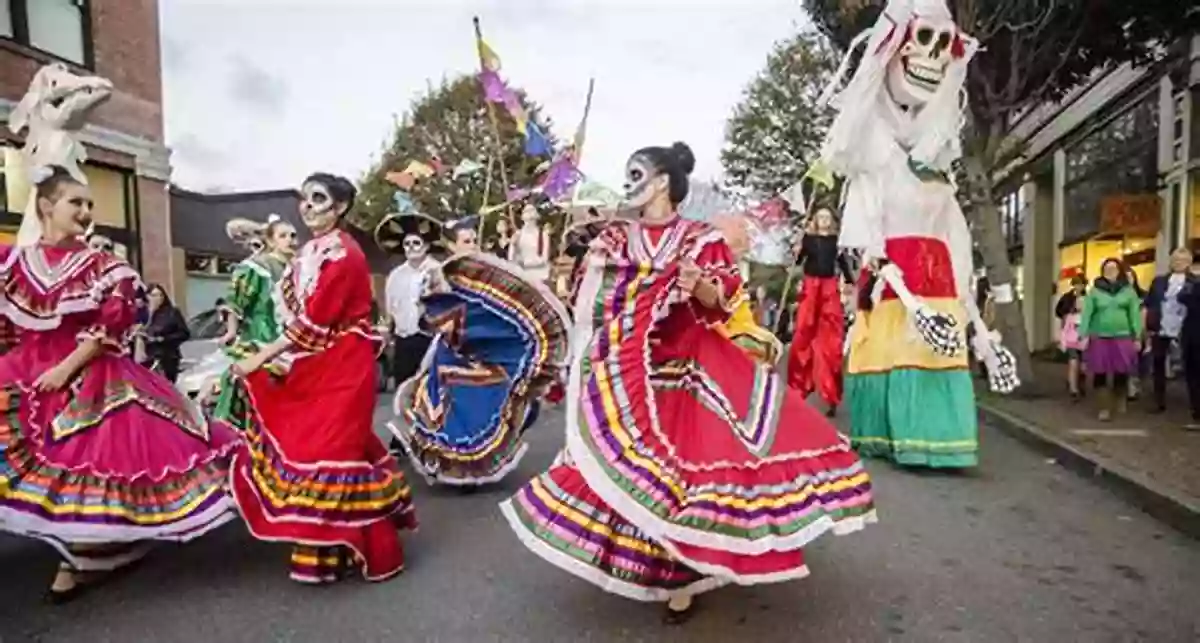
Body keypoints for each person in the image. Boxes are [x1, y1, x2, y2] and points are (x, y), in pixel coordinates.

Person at [500, 142, 875, 624]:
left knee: (680, 479)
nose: (630, 181)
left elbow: (719, 303)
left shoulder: (699, 238)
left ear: (661, 183)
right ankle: (641, 564)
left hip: (685, 369)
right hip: (625, 373)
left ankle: (682, 576)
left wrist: (695, 283)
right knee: (622, 466)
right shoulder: (614, 240)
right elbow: (590, 296)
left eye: (637, 172)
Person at [0, 165, 237, 602]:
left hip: (89, 375)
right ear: (47, 205)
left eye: (91, 203)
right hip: (26, 370)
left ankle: (89, 550)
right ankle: (86, 546)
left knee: (90, 459)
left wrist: (66, 367)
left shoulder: (106, 266)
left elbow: (111, 325)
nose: (87, 211)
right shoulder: (13, 261)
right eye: (77, 202)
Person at [229, 172, 416, 585]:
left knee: (332, 454)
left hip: (344, 364)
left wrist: (260, 357)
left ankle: (360, 547)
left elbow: (312, 323)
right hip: (317, 361)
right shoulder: (309, 252)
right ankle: (333, 551)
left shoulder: (345, 255)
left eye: (318, 198)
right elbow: (293, 312)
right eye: (305, 198)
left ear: (341, 207)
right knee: (328, 451)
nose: (308, 206)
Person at [389, 216, 571, 488]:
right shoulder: (439, 277)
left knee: (484, 409)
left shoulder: (490, 278)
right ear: (451, 245)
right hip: (450, 354)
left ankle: (475, 467)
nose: (471, 244)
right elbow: (429, 316)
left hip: (487, 357)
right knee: (446, 412)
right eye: (465, 240)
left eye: (474, 240)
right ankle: (450, 465)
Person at [210, 214, 298, 429]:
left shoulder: (300, 267)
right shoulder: (256, 267)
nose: (291, 240)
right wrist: (231, 331)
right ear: (271, 241)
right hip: (261, 336)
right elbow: (236, 301)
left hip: (292, 339)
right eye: (284, 235)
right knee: (248, 385)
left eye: (293, 235)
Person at [379, 213, 443, 453]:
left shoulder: (437, 270)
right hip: (405, 338)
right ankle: (401, 438)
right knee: (403, 387)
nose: (411, 248)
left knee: (430, 388)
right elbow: (390, 309)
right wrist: (387, 333)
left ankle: (432, 438)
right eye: (407, 244)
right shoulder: (396, 275)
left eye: (416, 243)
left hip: (431, 338)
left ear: (426, 246)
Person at [787, 206, 854, 416]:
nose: (824, 220)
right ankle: (799, 388)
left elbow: (843, 264)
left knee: (831, 342)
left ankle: (831, 394)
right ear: (815, 219)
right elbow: (798, 262)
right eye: (820, 216)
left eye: (827, 217)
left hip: (828, 288)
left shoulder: (836, 242)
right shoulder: (808, 239)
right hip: (810, 287)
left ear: (831, 221)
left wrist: (850, 281)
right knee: (803, 334)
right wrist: (796, 252)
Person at [1079, 258, 1143, 422]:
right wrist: (1083, 334)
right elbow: (1087, 314)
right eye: (1107, 268)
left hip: (1122, 336)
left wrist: (1137, 336)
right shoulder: (1095, 291)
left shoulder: (1128, 291)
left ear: (1119, 270)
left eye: (1113, 268)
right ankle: (1104, 407)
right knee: (1099, 371)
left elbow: (1134, 315)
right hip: (1099, 336)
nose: (1110, 271)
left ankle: (1119, 398)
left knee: (1121, 370)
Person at [1144, 248, 1194, 413]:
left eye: (1182, 260)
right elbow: (1150, 303)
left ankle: (1193, 403)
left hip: (1186, 328)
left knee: (1190, 366)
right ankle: (1159, 402)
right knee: (1158, 364)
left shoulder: (1195, 282)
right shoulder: (1159, 281)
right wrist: (1149, 326)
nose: (1178, 263)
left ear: (1189, 263)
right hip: (1161, 327)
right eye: (1175, 260)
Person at [139, 283, 191, 383]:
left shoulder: (172, 312)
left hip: (167, 356)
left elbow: (184, 333)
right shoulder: (144, 313)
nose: (158, 298)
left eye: (160, 295)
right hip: (147, 356)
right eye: (154, 295)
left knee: (166, 385)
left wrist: (164, 339)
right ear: (147, 297)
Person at [1056, 275, 1089, 401]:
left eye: (1081, 284)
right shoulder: (1067, 297)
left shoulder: (1088, 298)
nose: (1079, 287)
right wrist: (1066, 314)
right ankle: (1073, 387)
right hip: (1071, 338)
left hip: (1084, 341)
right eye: (1076, 284)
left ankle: (1080, 382)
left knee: (1083, 366)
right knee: (1073, 362)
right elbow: (1059, 311)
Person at [1177, 256, 1200, 431]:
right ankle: (1196, 413)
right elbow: (1182, 297)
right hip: (1190, 334)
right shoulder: (1191, 284)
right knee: (1191, 374)